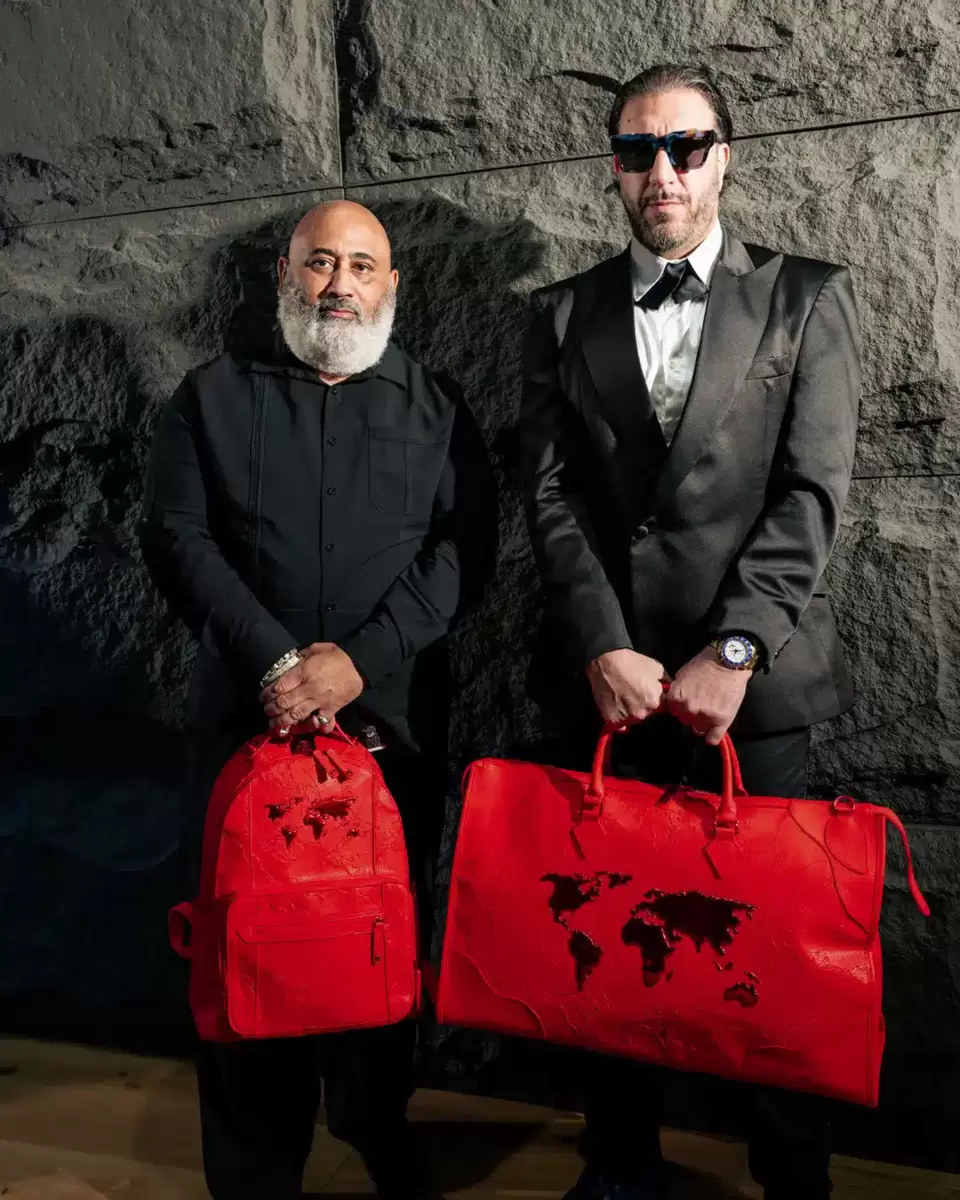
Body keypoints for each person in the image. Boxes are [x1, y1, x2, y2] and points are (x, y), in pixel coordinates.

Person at [519, 64, 860, 1200]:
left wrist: (735, 649)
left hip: (752, 694)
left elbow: (811, 494)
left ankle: (794, 1178)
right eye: (637, 150)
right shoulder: (560, 312)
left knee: (771, 951)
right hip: (608, 688)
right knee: (609, 946)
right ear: (614, 169)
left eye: (685, 146)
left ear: (724, 157)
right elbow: (552, 495)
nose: (661, 170)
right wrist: (601, 641)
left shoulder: (807, 296)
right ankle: (619, 1166)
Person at [139, 199, 496, 1200]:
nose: (340, 283)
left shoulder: (439, 408)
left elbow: (466, 553)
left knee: (381, 941)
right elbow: (176, 536)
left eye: (362, 265)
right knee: (246, 949)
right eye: (320, 262)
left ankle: (375, 1120)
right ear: (285, 275)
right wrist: (278, 666)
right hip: (244, 732)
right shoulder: (208, 398)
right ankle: (257, 1170)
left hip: (390, 734)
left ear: (392, 285)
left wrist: (358, 665)